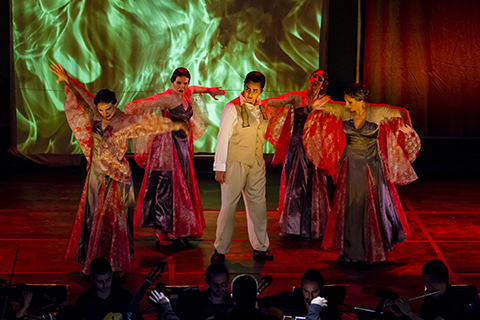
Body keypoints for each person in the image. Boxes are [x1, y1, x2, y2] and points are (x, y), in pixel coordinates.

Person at [49, 64, 187, 273]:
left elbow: (151, 124)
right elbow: (84, 94)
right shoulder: (96, 113)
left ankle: (117, 261)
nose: (104, 113)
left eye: (108, 109)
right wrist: (67, 79)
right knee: (92, 215)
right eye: (102, 110)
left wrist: (176, 126)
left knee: (115, 220)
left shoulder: (124, 120)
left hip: (118, 176)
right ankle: (90, 259)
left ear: (115, 104)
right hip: (96, 173)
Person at [303, 83, 421, 263]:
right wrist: (313, 106)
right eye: (346, 102)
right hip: (350, 166)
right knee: (352, 209)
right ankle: (351, 251)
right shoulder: (344, 111)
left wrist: (408, 127)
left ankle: (373, 250)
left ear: (360, 100)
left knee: (371, 209)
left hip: (371, 166)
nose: (347, 105)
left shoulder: (376, 112)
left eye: (350, 102)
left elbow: (402, 111)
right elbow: (323, 107)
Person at [124, 68, 225, 247]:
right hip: (166, 148)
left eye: (184, 83)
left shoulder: (186, 93)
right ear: (172, 82)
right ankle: (160, 229)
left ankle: (180, 227)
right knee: (166, 186)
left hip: (181, 147)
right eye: (178, 82)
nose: (182, 86)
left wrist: (209, 90)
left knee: (182, 187)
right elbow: (147, 103)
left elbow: (194, 89)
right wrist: (133, 108)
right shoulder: (167, 97)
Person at [211, 71, 273, 263]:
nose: (250, 93)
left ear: (260, 91)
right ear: (244, 86)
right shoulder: (232, 108)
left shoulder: (263, 108)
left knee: (258, 206)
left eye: (255, 90)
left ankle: (261, 247)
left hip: (255, 163)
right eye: (248, 88)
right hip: (235, 162)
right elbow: (222, 138)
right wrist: (219, 167)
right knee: (228, 206)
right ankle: (220, 250)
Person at [264, 70, 332, 238]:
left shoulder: (325, 102)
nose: (316, 80)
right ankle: (293, 225)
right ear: (310, 79)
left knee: (314, 185)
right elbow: (277, 101)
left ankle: (312, 224)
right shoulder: (297, 97)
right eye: (314, 77)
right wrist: (258, 102)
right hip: (298, 146)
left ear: (324, 84)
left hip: (314, 147)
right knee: (296, 183)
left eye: (320, 79)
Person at [393, 259, 468, 320]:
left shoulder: (454, 301)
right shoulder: (430, 294)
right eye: (425, 281)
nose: (428, 286)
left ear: (444, 280)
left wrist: (409, 313)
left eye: (432, 281)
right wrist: (401, 312)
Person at [74, 258, 143, 320]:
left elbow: (137, 317)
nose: (105, 284)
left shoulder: (125, 297)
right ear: (92, 278)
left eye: (108, 279)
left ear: (111, 274)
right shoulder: (83, 302)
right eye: (100, 281)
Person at [258, 269, 342, 320]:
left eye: (314, 292)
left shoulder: (329, 308)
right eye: (306, 291)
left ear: (321, 289)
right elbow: (262, 302)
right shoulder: (292, 298)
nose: (310, 297)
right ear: (301, 288)